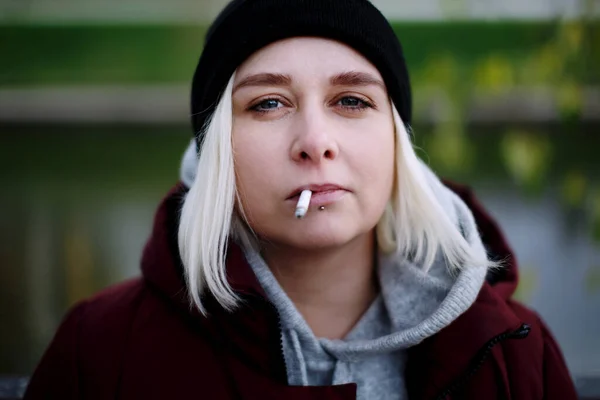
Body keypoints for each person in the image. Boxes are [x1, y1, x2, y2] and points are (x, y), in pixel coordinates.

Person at [24, 0, 578, 399]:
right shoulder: (100, 352)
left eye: (351, 100)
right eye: (267, 103)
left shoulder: (513, 353)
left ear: (395, 139)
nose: (316, 142)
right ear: (217, 149)